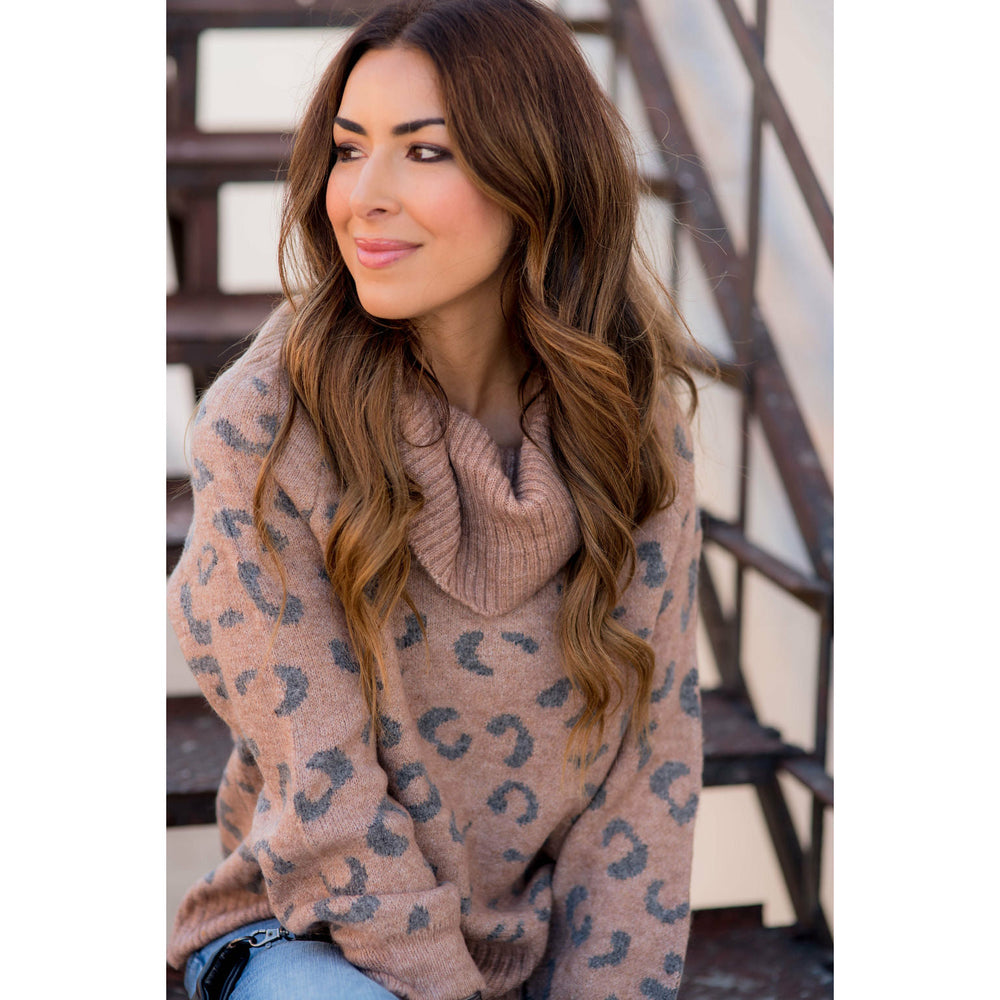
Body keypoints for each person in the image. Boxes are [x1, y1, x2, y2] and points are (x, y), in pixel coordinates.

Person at [167, 1, 705, 997]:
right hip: (311, 935)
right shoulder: (264, 426)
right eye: (348, 150)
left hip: (524, 950)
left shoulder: (633, 429)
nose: (363, 197)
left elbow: (645, 784)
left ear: (537, 176)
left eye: (424, 152)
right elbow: (330, 808)